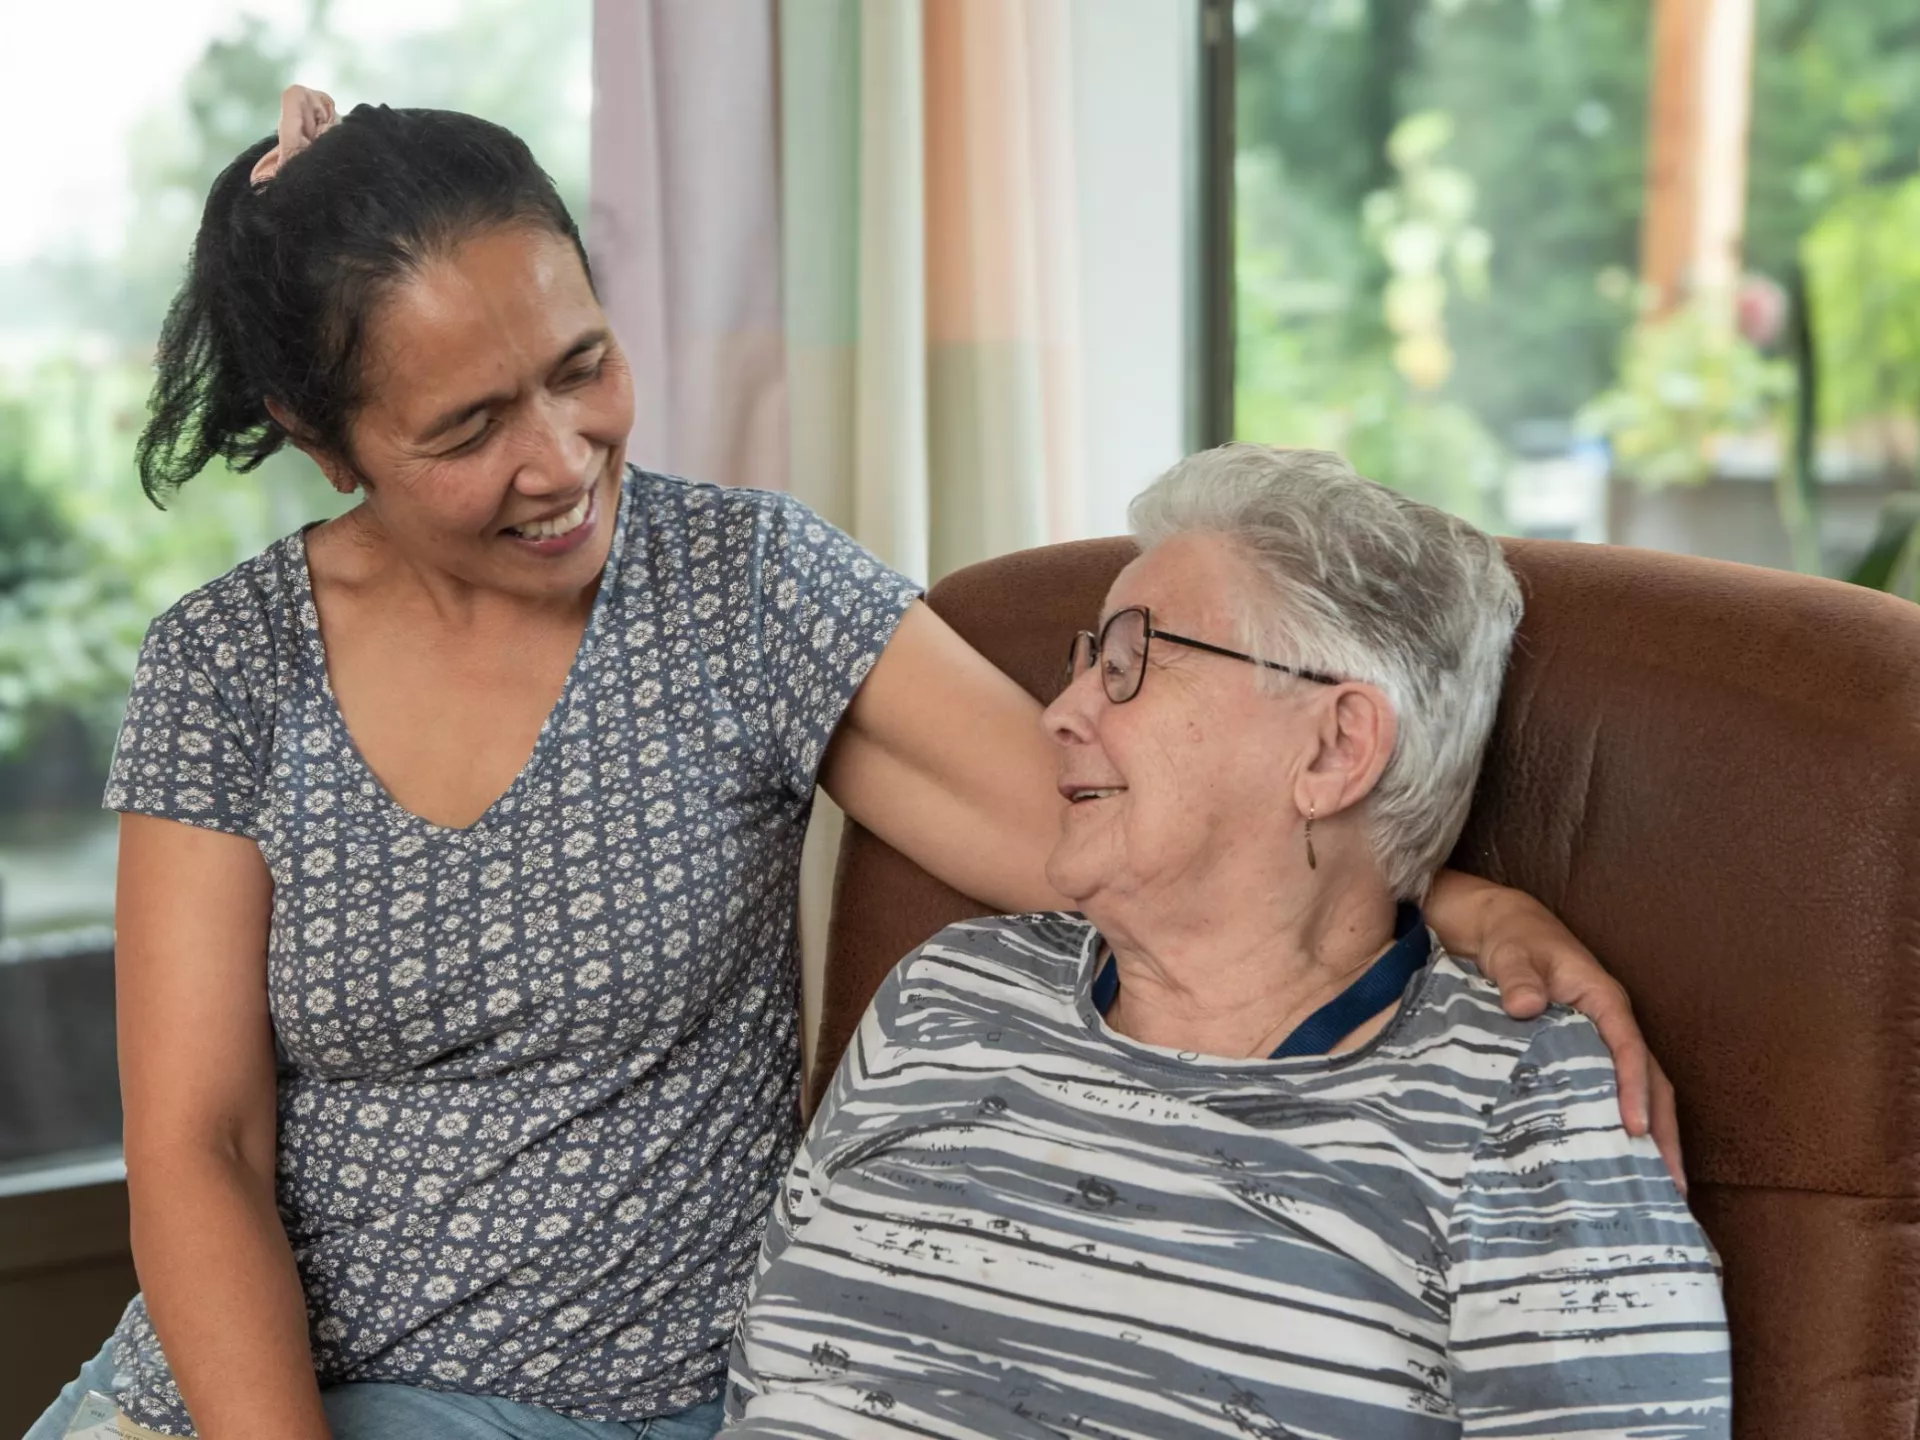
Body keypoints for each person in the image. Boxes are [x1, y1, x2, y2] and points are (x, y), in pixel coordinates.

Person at [28, 90, 1677, 1440]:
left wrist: (1447, 890)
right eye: (468, 431)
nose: (562, 459)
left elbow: (1107, 828)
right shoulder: (231, 662)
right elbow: (201, 1148)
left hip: (628, 1399)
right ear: (325, 444)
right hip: (256, 1401)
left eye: (582, 364)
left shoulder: (745, 589)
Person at [723, 446, 1730, 1438]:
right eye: (1084, 666)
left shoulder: (1520, 1108)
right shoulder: (946, 993)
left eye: (1128, 666)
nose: (1061, 715)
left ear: (1334, 750)